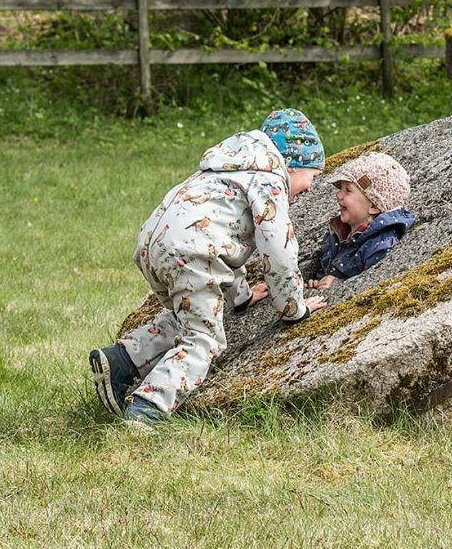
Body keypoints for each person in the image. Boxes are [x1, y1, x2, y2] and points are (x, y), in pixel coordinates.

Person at [88, 109, 328, 427]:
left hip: (155, 247)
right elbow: (278, 249)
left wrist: (240, 296)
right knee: (203, 339)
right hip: (192, 252)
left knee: (191, 314)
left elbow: (223, 241)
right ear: (293, 164)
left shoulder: (228, 167)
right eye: (312, 176)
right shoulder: (269, 178)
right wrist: (293, 308)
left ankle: (122, 361)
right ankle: (148, 408)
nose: (310, 187)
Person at [308, 151, 415, 291]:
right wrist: (317, 282)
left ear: (374, 206)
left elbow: (372, 283)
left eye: (348, 190)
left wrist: (338, 285)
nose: (339, 195)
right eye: (340, 188)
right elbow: (325, 267)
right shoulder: (338, 234)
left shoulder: (379, 244)